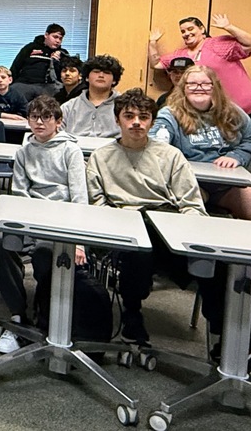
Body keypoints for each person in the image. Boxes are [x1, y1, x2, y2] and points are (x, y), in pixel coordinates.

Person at [86, 88, 224, 345]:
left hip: (168, 224)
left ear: (151, 121)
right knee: (140, 248)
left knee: (217, 261)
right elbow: (97, 205)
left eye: (144, 116)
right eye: (129, 116)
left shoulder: (170, 155)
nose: (136, 122)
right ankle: (132, 313)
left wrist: (184, 231)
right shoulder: (100, 158)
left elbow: (192, 204)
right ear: (118, 120)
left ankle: (220, 332)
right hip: (124, 226)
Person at [0, 95, 87, 354]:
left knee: (46, 254)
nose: (39, 122)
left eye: (46, 117)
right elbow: (20, 192)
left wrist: (79, 241)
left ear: (58, 121)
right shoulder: (24, 151)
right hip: (29, 218)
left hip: (60, 221)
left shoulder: (71, 150)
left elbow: (79, 196)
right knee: (2, 245)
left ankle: (46, 314)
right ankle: (18, 316)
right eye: (34, 117)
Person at [151, 65, 251, 222]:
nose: (199, 88)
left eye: (205, 84)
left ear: (215, 86)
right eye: (192, 84)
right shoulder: (169, 114)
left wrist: (237, 156)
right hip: (186, 183)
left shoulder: (232, 111)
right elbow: (156, 146)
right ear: (183, 88)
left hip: (227, 186)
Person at [149, 14, 251, 130]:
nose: (186, 33)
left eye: (190, 29)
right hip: (221, 114)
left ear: (202, 29)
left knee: (250, 146)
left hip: (250, 108)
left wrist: (229, 27)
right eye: (183, 31)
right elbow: (156, 64)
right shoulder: (181, 55)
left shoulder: (217, 44)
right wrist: (152, 42)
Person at [61, 54, 123, 138]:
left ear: (114, 80)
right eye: (96, 72)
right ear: (87, 77)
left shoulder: (124, 106)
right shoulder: (68, 107)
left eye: (106, 73)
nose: (101, 75)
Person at [9, 23, 66, 100]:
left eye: (60, 39)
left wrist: (56, 61)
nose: (58, 41)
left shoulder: (62, 53)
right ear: (46, 35)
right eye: (55, 37)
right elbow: (16, 67)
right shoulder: (30, 47)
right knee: (12, 93)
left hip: (47, 86)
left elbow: (62, 76)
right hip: (25, 83)